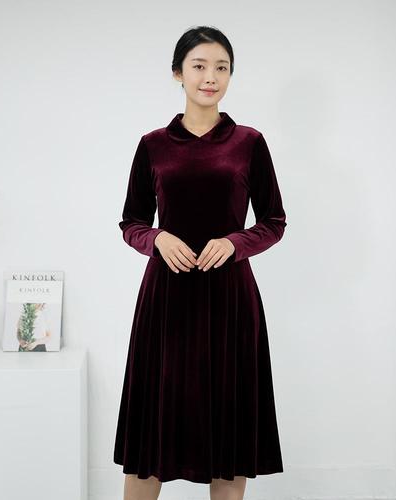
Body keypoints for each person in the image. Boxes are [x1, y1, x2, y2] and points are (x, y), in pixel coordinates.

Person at [113, 25, 287, 500]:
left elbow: (273, 221)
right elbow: (131, 221)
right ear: (178, 73)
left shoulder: (249, 142)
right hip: (166, 304)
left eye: (221, 68)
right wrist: (156, 238)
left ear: (230, 76)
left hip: (230, 304)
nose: (211, 77)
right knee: (150, 438)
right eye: (199, 66)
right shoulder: (153, 144)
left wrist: (235, 243)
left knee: (228, 438)